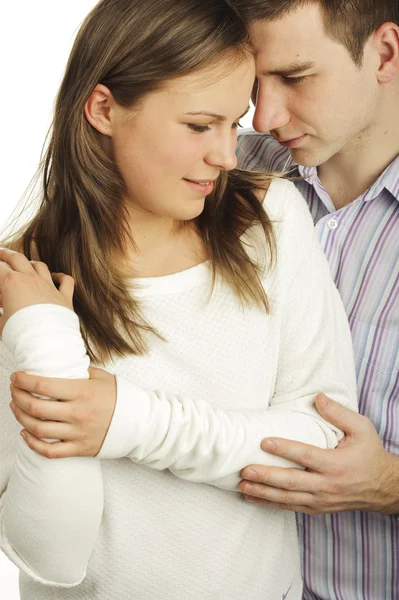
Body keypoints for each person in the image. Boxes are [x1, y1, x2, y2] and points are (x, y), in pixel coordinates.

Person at [0, 1, 358, 600]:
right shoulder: (26, 288)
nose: (226, 155)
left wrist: (127, 421)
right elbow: (51, 555)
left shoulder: (269, 219)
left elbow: (321, 448)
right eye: (199, 126)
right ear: (105, 108)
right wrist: (45, 339)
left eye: (232, 123)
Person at [226, 1, 398, 599]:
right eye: (253, 83)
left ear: (385, 53)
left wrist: (389, 484)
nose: (264, 115)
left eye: (295, 78)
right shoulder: (221, 169)